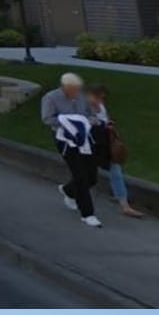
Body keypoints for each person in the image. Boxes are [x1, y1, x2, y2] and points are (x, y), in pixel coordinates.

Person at [40, 72, 102, 227]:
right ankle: (87, 214)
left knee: (91, 176)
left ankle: (68, 190)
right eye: (73, 89)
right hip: (65, 140)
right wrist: (69, 123)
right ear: (64, 87)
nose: (76, 92)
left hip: (84, 138)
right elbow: (47, 119)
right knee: (80, 175)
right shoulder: (51, 98)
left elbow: (91, 114)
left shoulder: (81, 97)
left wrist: (92, 121)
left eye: (78, 89)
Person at [86, 84, 144, 218]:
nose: (100, 101)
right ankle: (72, 193)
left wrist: (108, 124)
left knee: (115, 170)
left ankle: (125, 205)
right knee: (87, 172)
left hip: (104, 142)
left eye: (102, 98)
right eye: (97, 97)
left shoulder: (100, 106)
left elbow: (104, 119)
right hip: (90, 144)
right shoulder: (82, 107)